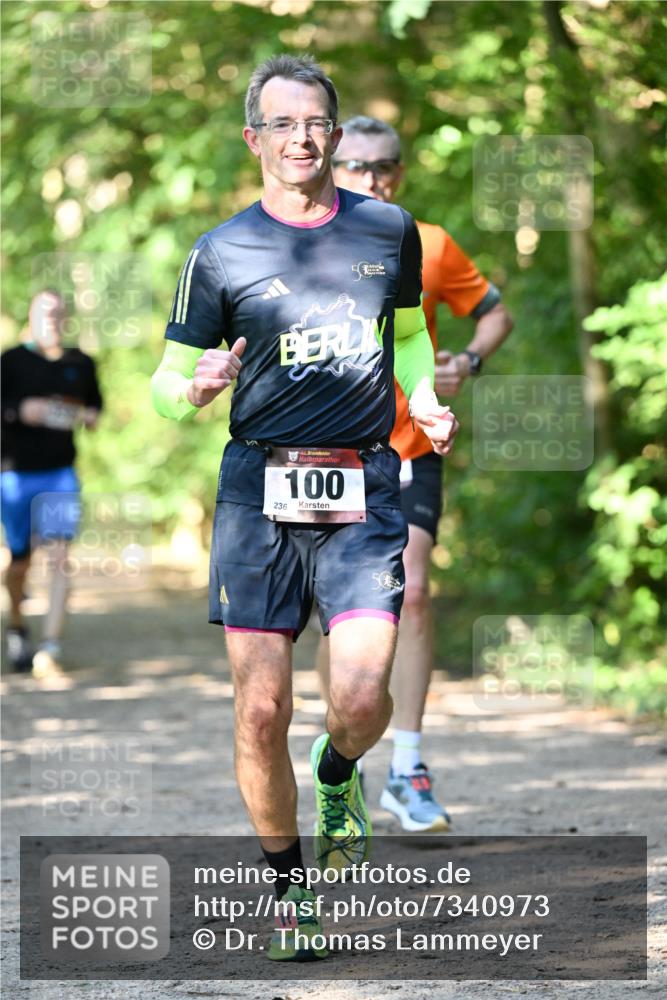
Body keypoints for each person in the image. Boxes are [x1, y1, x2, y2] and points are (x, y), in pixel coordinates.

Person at [151, 55, 459, 962]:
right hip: (257, 491)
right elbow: (168, 383)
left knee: (359, 696)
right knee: (260, 711)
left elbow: (407, 338)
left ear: (333, 131)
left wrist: (424, 400)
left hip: (363, 482)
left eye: (314, 122)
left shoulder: (389, 229)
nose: (300, 138)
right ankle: (292, 894)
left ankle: (338, 774)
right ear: (254, 139)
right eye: (279, 124)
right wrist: (194, 388)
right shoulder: (219, 252)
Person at [316, 116, 513, 832]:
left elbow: (493, 313)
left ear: (399, 172)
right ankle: (341, 765)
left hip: (408, 447)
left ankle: (408, 767)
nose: (373, 179)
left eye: (385, 166)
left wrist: (467, 361)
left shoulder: (425, 244)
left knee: (416, 592)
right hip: (327, 456)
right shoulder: (306, 244)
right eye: (358, 166)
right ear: (334, 169)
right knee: (340, 617)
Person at [1, 289, 103, 675]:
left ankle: (50, 647)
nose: (52, 320)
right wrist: (17, 411)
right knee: (20, 562)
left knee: (59, 556)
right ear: (31, 315)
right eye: (44, 313)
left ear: (66, 318)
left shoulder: (81, 363)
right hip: (13, 474)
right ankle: (16, 624)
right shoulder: (10, 362)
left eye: (58, 314)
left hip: (60, 473)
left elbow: (94, 405)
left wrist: (89, 416)